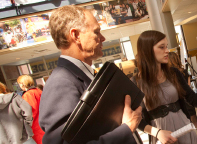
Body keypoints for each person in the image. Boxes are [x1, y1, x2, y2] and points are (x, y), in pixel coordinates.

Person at [39, 5, 142, 144]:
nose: (103, 38)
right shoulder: (60, 82)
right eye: (96, 32)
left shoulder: (83, 74)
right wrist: (126, 129)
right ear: (75, 35)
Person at [132, 30, 197, 144]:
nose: (167, 51)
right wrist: (157, 133)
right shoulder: (136, 82)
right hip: (161, 136)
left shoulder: (173, 73)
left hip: (184, 129)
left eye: (167, 46)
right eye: (161, 47)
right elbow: (136, 120)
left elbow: (193, 100)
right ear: (147, 51)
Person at [168, 52, 197, 141]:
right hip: (188, 98)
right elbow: (188, 85)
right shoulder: (184, 71)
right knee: (195, 119)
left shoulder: (171, 73)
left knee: (186, 122)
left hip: (180, 100)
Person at [17, 75, 44, 144]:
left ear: (23, 84)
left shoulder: (28, 95)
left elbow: (30, 112)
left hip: (36, 126)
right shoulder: (39, 91)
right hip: (44, 123)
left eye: (19, 83)